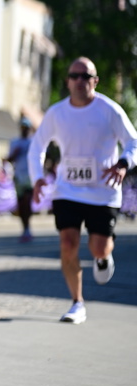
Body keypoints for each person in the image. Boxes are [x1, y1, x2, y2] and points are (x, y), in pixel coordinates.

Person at [29, 57, 137, 324]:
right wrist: (37, 178)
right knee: (68, 244)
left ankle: (103, 257)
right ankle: (77, 303)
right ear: (67, 81)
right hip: (68, 189)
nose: (79, 81)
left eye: (85, 76)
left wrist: (124, 164)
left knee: (98, 247)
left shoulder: (109, 110)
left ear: (95, 81)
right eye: (74, 76)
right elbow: (37, 146)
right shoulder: (56, 113)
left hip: (103, 191)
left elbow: (133, 141)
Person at [7, 118, 35, 242]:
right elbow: (9, 159)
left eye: (26, 128)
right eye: (23, 128)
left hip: (30, 176)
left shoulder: (33, 141)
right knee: (21, 204)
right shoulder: (15, 142)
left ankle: (28, 228)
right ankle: (25, 228)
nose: (24, 130)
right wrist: (15, 153)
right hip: (19, 176)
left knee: (27, 203)